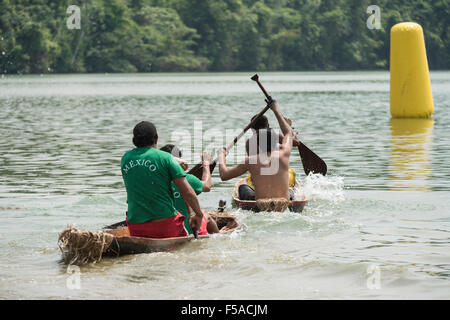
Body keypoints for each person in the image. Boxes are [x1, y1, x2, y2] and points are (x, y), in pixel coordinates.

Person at [121, 121, 205, 238]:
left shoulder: (125, 159)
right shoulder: (166, 158)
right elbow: (188, 192)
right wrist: (199, 214)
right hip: (165, 225)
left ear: (134, 140)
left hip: (136, 226)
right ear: (156, 139)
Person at [219, 101, 296, 201]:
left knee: (242, 187)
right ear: (276, 141)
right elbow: (288, 133)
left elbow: (224, 176)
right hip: (283, 203)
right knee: (291, 190)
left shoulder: (250, 160)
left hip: (261, 204)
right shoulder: (284, 154)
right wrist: (276, 110)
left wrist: (221, 155)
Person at [160, 144, 219, 234]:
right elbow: (207, 186)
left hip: (163, 227)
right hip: (185, 229)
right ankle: (219, 237)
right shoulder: (187, 179)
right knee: (206, 214)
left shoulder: (154, 181)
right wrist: (206, 164)